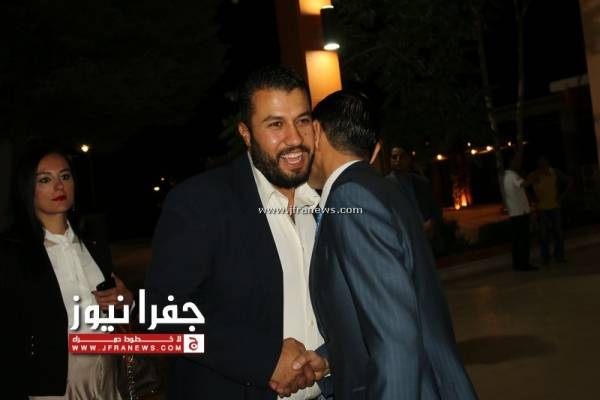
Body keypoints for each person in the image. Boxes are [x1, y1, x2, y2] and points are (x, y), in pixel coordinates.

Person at [145, 65, 329, 400]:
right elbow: (160, 313)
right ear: (245, 133)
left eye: (302, 120)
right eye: (275, 124)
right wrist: (264, 360)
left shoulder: (325, 202)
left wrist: (329, 355)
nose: (294, 138)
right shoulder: (200, 202)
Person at [297, 90, 477, 399]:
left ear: (316, 132)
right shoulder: (382, 191)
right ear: (376, 149)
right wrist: (330, 356)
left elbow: (395, 340)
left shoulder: (349, 198)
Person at [0, 142, 133, 399]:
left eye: (65, 176)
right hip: (53, 381)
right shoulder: (12, 252)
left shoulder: (93, 240)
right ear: (27, 188)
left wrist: (126, 302)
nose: (59, 186)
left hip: (107, 373)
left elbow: (113, 308)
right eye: (45, 179)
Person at [387, 145, 441, 238]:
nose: (398, 161)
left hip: (426, 235)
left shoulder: (422, 183)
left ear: (408, 159)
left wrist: (431, 223)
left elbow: (435, 209)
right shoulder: (385, 185)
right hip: (403, 237)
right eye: (394, 157)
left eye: (402, 157)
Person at [529, 155, 572, 265]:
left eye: (544, 161)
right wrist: (532, 199)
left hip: (555, 206)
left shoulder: (555, 172)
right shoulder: (534, 174)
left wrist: (562, 196)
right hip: (542, 208)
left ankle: (559, 256)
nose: (542, 163)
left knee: (559, 233)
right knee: (543, 234)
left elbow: (570, 181)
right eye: (540, 161)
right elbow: (524, 186)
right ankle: (545, 258)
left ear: (548, 161)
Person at [503, 152, 538, 271]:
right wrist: (534, 175)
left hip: (515, 213)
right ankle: (524, 264)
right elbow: (525, 184)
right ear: (511, 162)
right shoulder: (512, 175)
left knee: (517, 241)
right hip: (519, 213)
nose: (518, 163)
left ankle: (518, 264)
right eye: (516, 161)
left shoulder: (507, 175)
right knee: (523, 240)